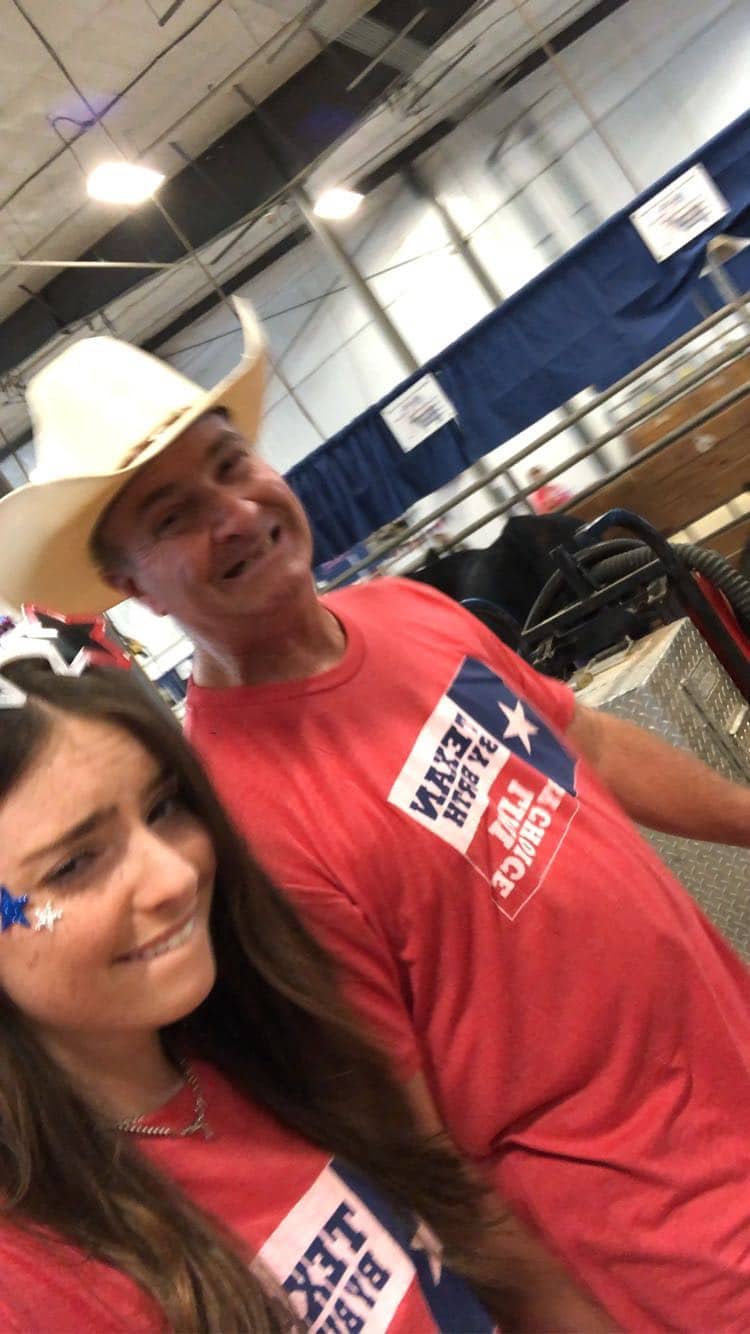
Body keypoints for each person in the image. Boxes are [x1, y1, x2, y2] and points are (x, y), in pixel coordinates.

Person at [0, 301, 749, 1330]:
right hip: (659, 1233)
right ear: (130, 586)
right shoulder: (242, 827)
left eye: (230, 463)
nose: (236, 511)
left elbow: (591, 745)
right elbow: (415, 1141)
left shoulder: (407, 613)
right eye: (173, 514)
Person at [0, 636, 609, 1334]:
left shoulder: (277, 1029)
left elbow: (473, 1241)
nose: (174, 877)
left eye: (164, 809)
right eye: (76, 864)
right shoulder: (34, 1276)